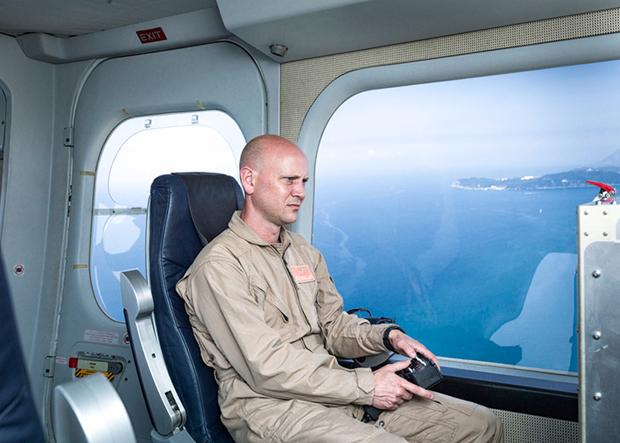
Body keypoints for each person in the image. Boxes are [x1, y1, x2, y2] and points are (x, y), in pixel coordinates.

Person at [176, 134, 504, 442]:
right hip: (271, 409)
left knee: (480, 425)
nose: (300, 192)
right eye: (288, 180)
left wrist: (388, 336)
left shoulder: (301, 251)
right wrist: (366, 386)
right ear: (249, 180)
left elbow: (333, 326)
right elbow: (266, 368)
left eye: (303, 181)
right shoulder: (218, 267)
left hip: (334, 394)